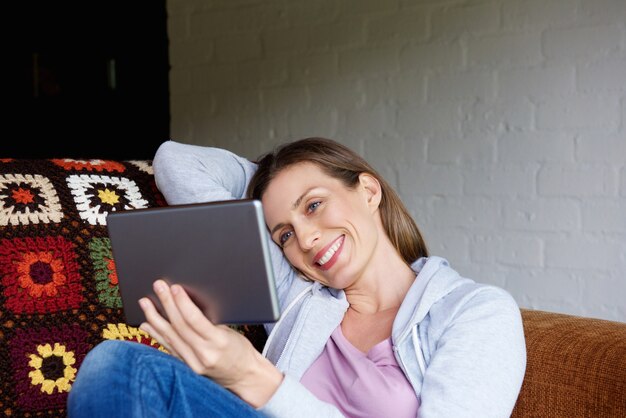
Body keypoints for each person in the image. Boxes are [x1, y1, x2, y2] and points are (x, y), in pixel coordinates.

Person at [68, 137, 526, 417]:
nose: (304, 239)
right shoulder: (296, 292)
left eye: (314, 205)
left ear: (368, 190)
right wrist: (272, 181)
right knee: (119, 364)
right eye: (283, 233)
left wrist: (253, 376)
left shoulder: (472, 311)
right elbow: (178, 162)